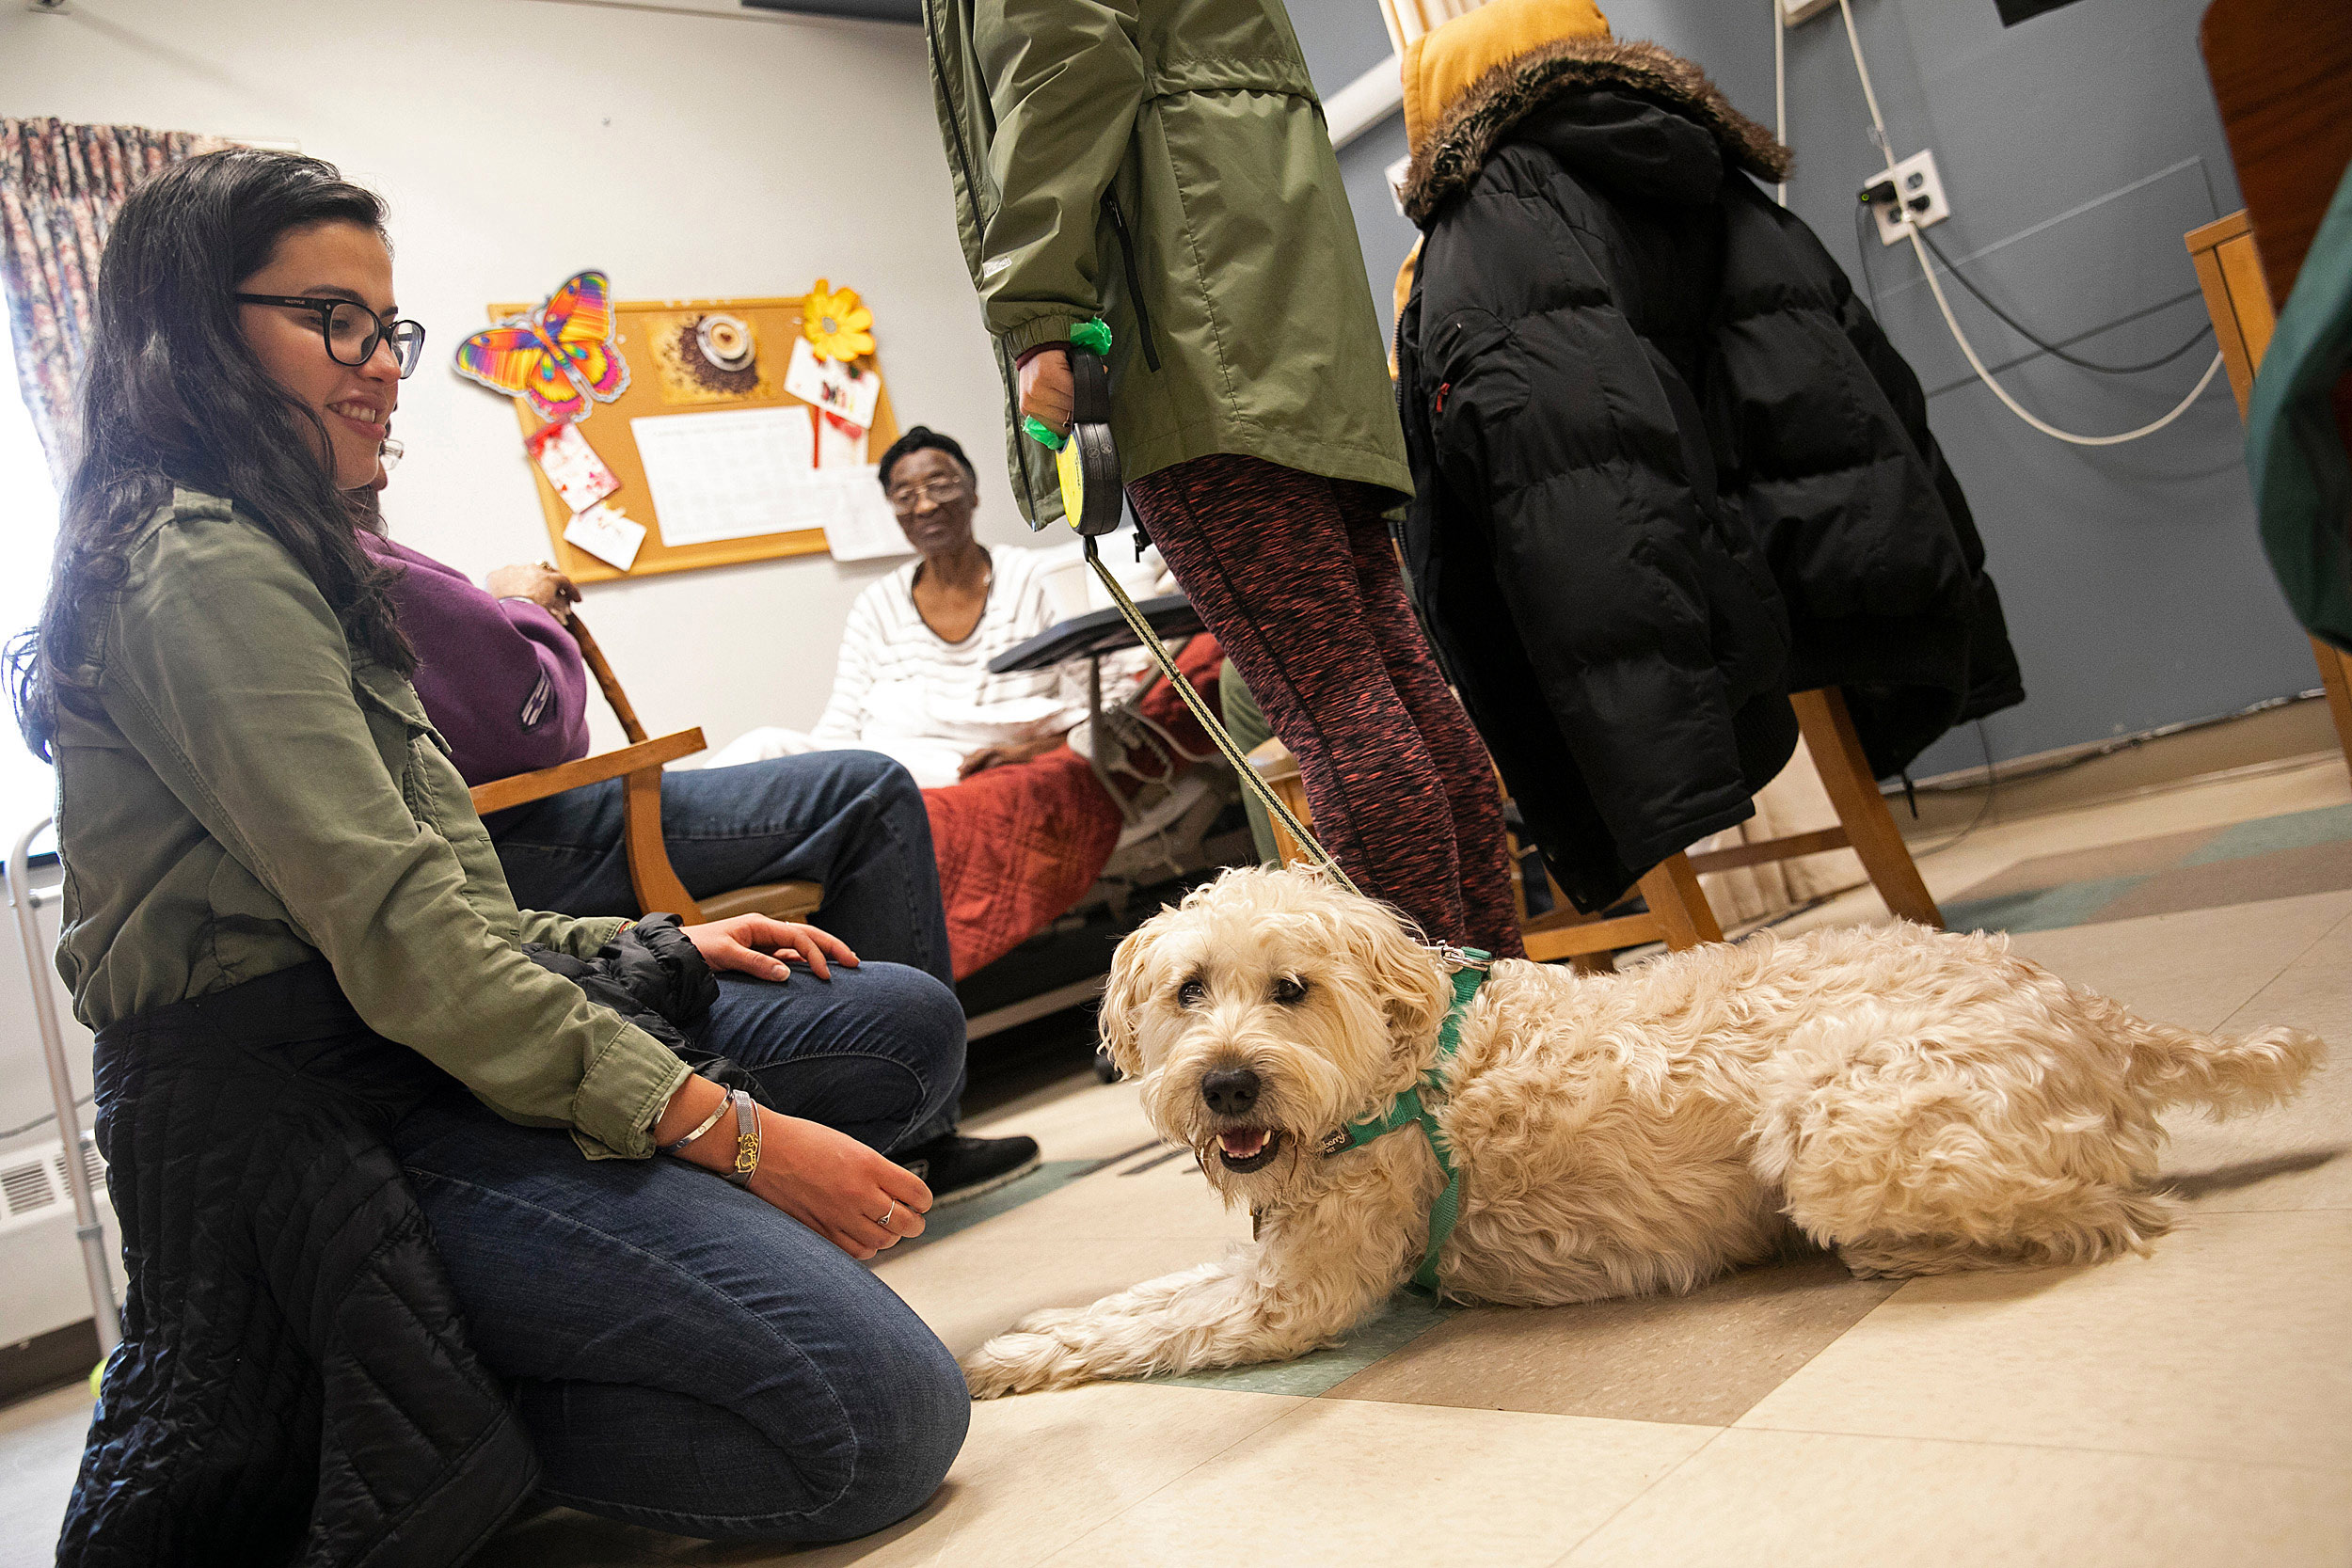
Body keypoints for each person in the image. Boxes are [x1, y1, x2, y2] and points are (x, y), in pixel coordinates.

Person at [14, 149, 969, 1560]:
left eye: (386, 327)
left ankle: (531, 1314)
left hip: (405, 1039)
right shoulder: (195, 562)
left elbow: (444, 907)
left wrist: (653, 944)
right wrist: (741, 1140)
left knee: (895, 1030)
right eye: (330, 319)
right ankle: (436, 1402)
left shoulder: (300, 550)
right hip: (308, 1106)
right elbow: (410, 950)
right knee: (878, 1418)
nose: (382, 363)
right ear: (197, 330)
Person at [921, 0, 1526, 959]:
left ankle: (1426, 1049)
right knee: (1389, 680)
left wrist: (1038, 307)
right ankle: (1493, 1014)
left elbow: (1059, 65)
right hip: (1277, 289)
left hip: (1187, 319)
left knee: (1333, 705)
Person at [357, 473, 1040, 1201]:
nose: (387, 378)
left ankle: (888, 1135)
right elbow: (541, 720)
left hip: (511, 851)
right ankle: (921, 1143)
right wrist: (522, 607)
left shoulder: (1022, 580)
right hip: (523, 826)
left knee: (858, 796)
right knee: (871, 787)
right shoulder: (350, 560)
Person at [709, 425, 1154, 789]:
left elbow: (1110, 700)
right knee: (765, 747)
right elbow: (840, 728)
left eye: (939, 486)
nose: (923, 505)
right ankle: (653, 826)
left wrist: (1027, 754)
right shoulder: (877, 604)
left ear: (973, 494)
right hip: (892, 757)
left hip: (961, 767)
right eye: (904, 496)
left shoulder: (1032, 579)